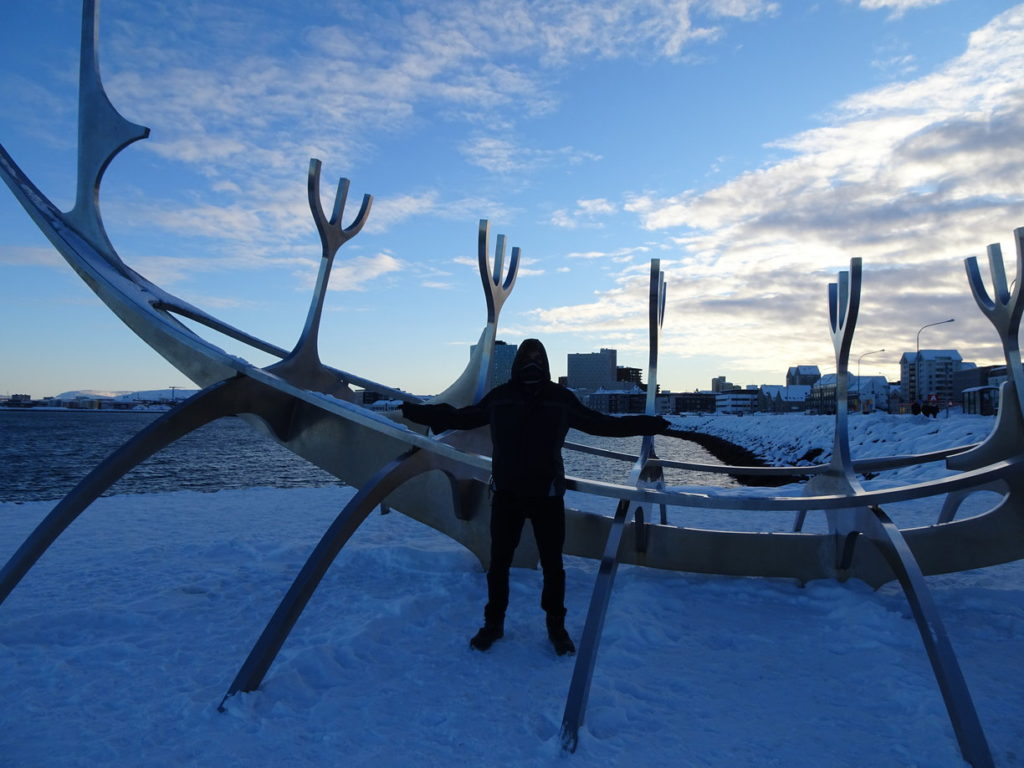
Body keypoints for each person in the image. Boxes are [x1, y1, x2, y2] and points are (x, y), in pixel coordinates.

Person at [400, 338, 670, 656]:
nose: (532, 362)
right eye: (526, 356)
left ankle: (557, 628)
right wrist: (418, 412)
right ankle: (493, 624)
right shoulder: (501, 398)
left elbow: (601, 425)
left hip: (547, 495)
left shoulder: (561, 399)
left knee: (553, 566)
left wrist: (646, 424)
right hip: (506, 494)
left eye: (537, 356)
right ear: (517, 362)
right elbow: (463, 418)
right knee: (499, 564)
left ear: (545, 361)